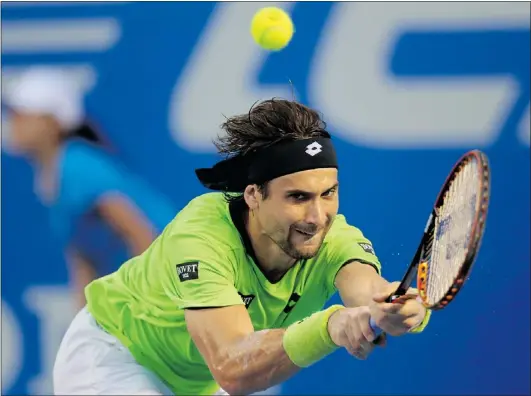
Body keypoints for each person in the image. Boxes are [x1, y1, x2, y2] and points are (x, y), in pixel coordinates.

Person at [52, 99, 431, 395]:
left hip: (196, 384)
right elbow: (233, 366)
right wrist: (330, 326)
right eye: (298, 197)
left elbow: (366, 288)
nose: (317, 216)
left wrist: (392, 307)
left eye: (328, 193)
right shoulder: (200, 239)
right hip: (114, 356)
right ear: (253, 195)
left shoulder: (334, 237)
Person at [3, 67, 177, 307]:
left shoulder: (77, 166)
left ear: (52, 122)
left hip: (178, 273)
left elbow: (140, 233)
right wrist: (83, 326)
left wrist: (149, 304)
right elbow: (82, 258)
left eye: (22, 114)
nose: (13, 123)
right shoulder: (53, 175)